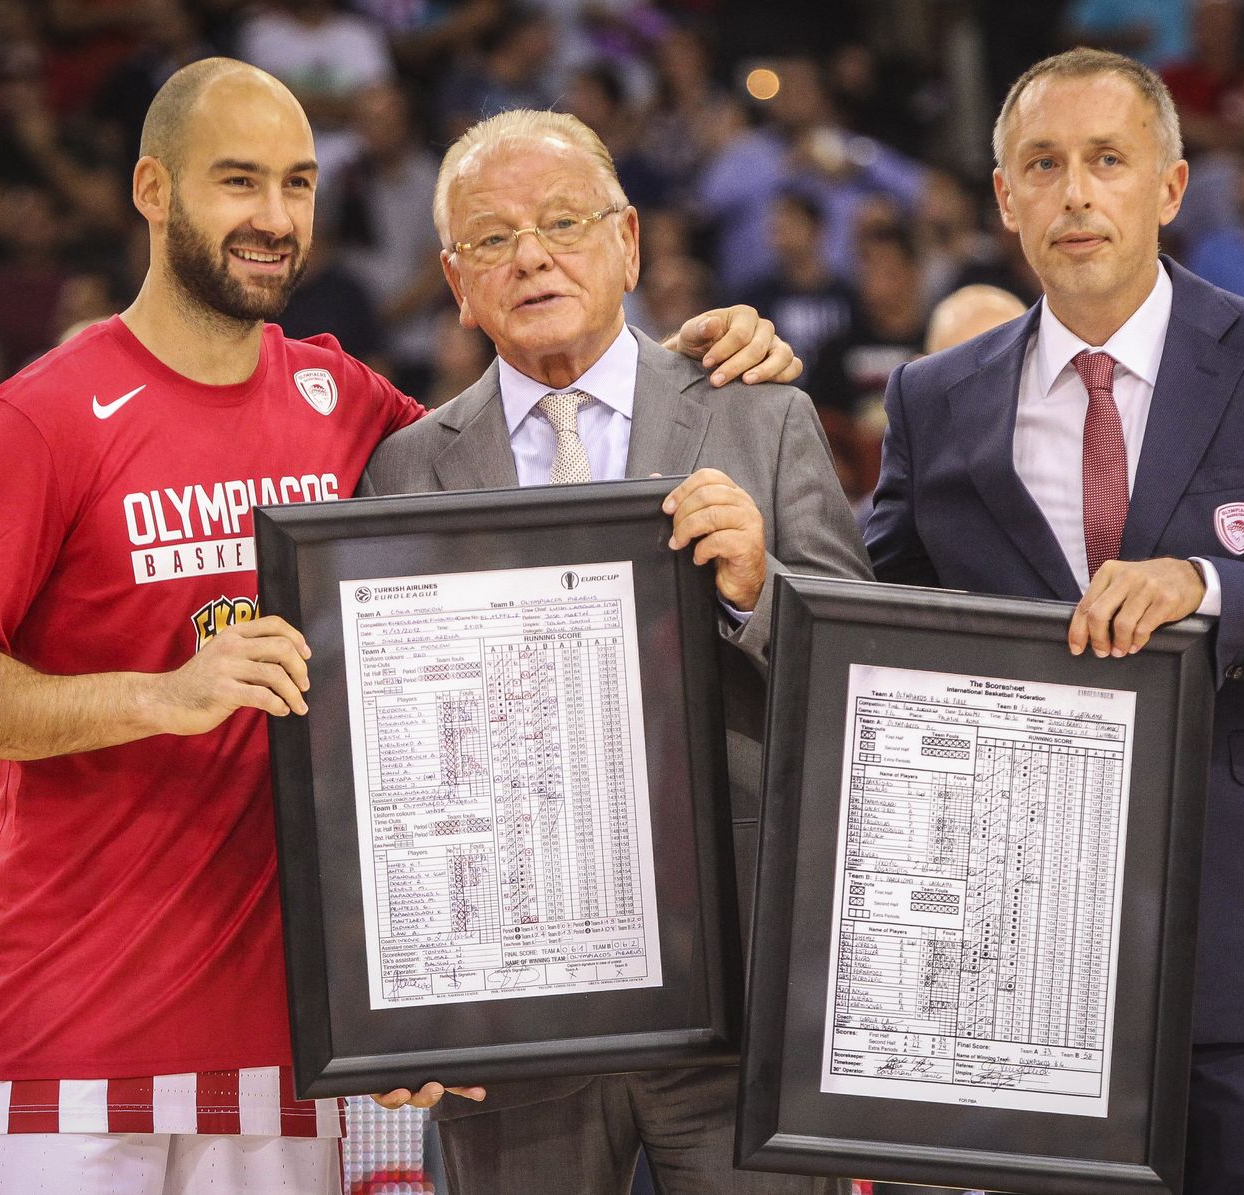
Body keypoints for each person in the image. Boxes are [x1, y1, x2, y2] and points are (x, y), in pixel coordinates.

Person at [0, 57, 795, 1195]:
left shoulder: (348, 405)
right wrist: (161, 694)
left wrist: (702, 363)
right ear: (153, 190)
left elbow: (543, 466)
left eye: (299, 184)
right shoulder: (44, 415)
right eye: (238, 181)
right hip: (74, 1027)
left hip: (284, 1039)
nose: (274, 217)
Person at [864, 47, 1244, 1195]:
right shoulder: (934, 397)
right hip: (1019, 963)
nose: (1074, 192)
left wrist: (1211, 591)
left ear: (1168, 188)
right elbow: (869, 640)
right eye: (1042, 164)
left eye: (1107, 160)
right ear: (1003, 197)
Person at [362, 108, 871, 1195]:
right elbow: (384, 771)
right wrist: (398, 1003)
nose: (532, 256)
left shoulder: (761, 414)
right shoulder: (403, 470)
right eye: (493, 238)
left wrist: (759, 590)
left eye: (562, 222)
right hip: (509, 1018)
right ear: (456, 282)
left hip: (740, 994)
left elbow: (864, 695)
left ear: (628, 241)